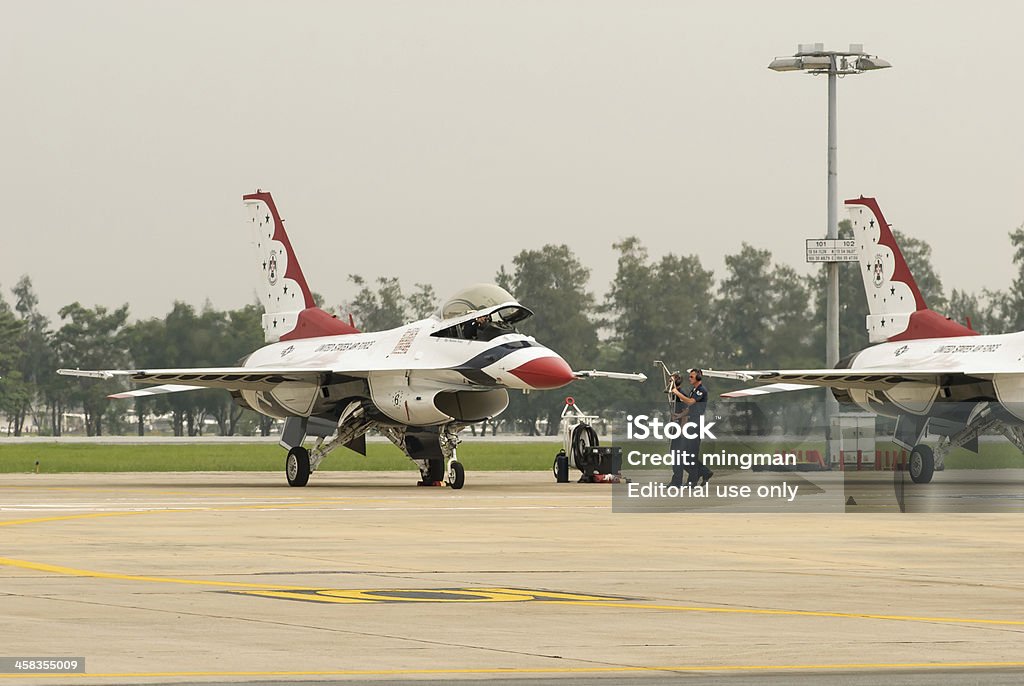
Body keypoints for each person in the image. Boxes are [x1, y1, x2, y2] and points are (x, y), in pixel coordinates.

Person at [670, 368, 713, 487]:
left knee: (691, 453)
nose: (689, 379)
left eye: (691, 377)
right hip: (691, 422)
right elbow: (689, 409)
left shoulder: (701, 391)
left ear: (698, 378)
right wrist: (680, 415)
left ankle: (694, 480)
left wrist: (677, 393)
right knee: (688, 453)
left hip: (696, 424)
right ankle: (703, 473)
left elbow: (690, 402)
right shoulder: (693, 390)